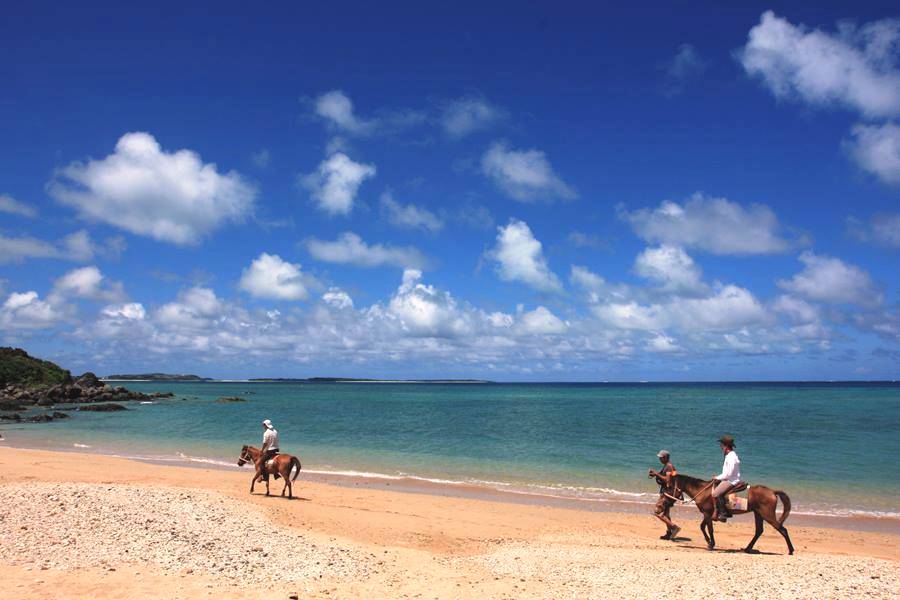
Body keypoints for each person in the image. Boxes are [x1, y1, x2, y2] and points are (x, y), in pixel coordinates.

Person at [648, 450, 681, 540]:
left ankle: (674, 527)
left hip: (668, 493)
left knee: (657, 512)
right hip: (668, 492)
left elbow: (667, 480)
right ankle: (669, 533)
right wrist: (655, 475)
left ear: (666, 457)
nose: (660, 459)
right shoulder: (667, 466)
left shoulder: (669, 467)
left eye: (661, 457)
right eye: (659, 457)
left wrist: (656, 474)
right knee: (666, 514)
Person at [711, 435, 741, 522]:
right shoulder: (729, 455)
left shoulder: (731, 457)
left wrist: (717, 477)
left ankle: (723, 514)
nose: (720, 446)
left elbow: (728, 474)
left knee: (715, 494)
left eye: (721, 444)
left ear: (725, 446)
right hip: (730, 478)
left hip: (731, 480)